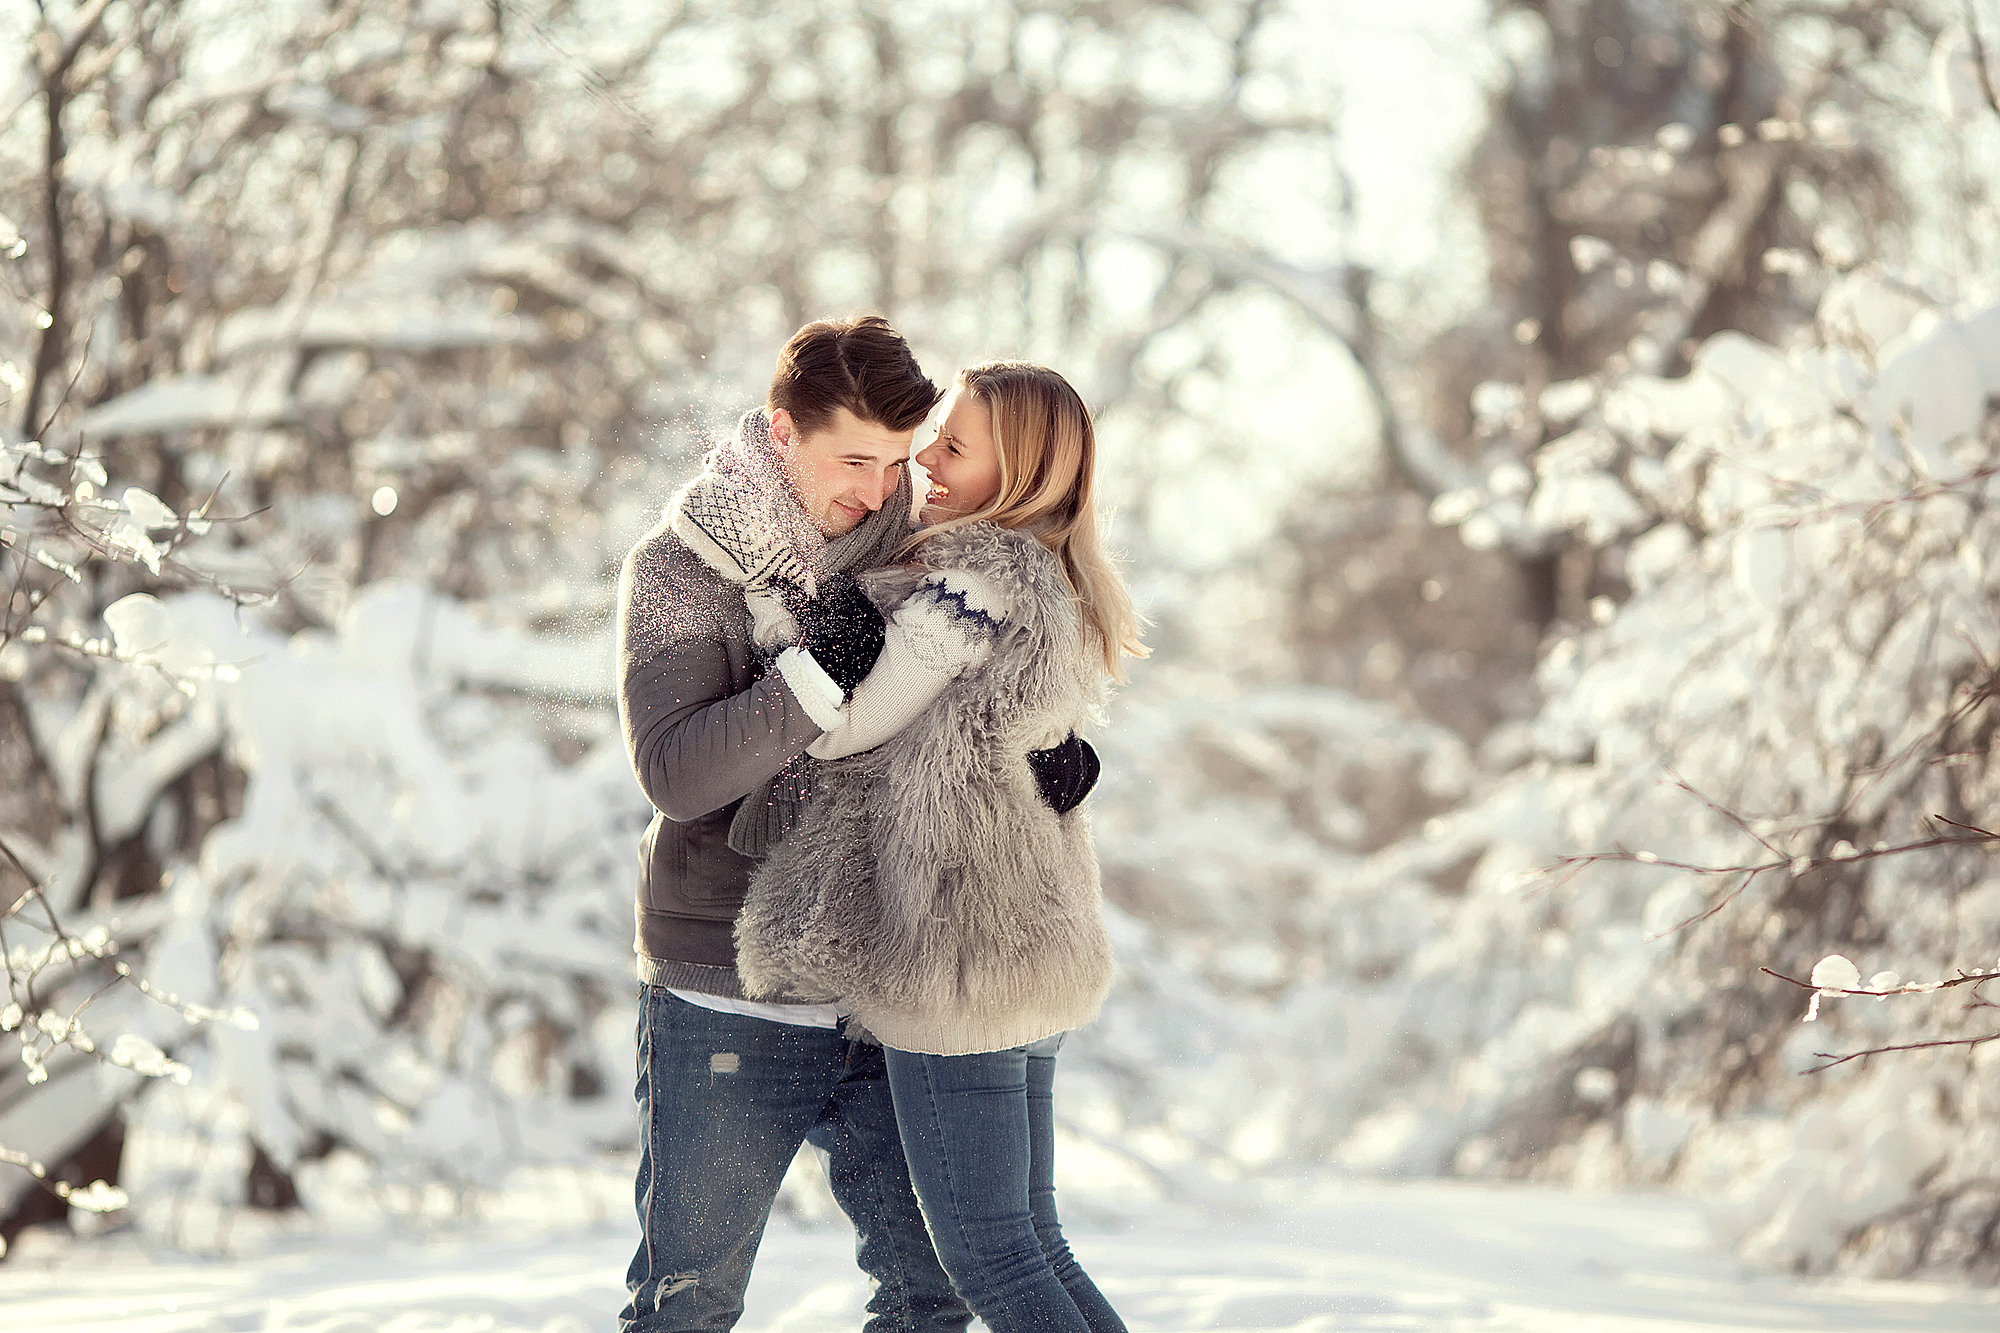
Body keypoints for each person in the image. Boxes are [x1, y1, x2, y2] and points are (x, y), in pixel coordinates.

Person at [734, 362, 1147, 1333]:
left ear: (1020, 475)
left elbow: (839, 730)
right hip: (1026, 941)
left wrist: (803, 637)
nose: (926, 458)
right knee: (1029, 1240)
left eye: (954, 446)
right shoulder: (1047, 575)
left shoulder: (964, 583)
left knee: (992, 1256)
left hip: (952, 951)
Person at [613, 314, 970, 1333]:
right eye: (853, 458)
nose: (877, 487)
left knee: (930, 1299)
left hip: (888, 981)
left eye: (897, 460)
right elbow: (677, 772)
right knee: (686, 1307)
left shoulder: (922, 548)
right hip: (729, 988)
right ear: (781, 432)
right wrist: (816, 677)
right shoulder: (685, 569)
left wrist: (1040, 755)